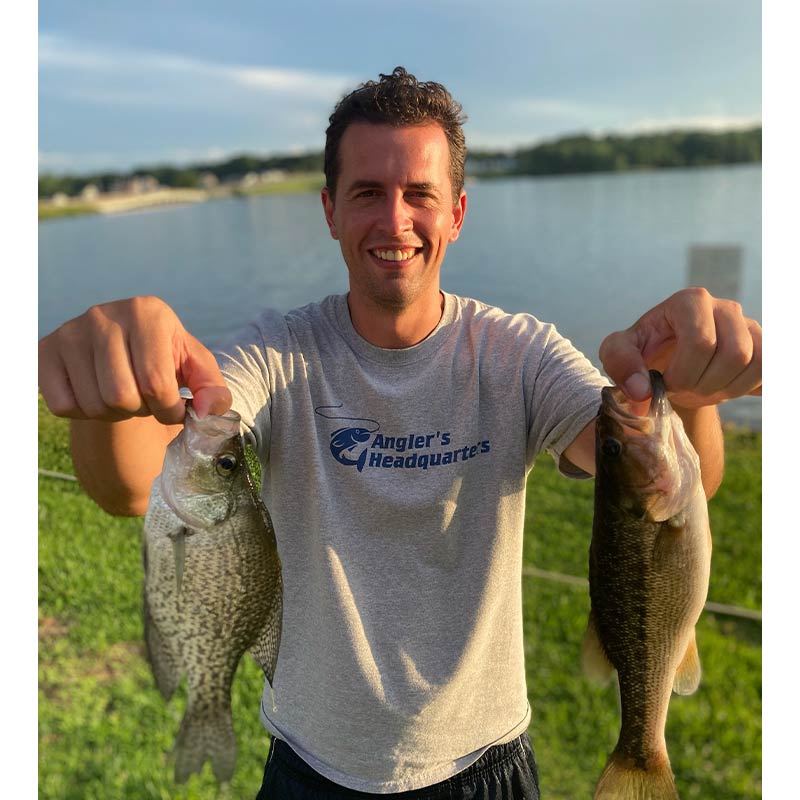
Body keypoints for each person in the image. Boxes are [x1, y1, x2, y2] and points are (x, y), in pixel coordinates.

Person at [38, 67, 761, 799]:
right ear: (328, 210)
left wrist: (692, 398)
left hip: (486, 763)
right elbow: (130, 488)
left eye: (420, 194)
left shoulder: (521, 353)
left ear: (457, 213)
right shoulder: (276, 355)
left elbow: (655, 488)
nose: (394, 221)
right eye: (366, 194)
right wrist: (114, 402)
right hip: (309, 764)